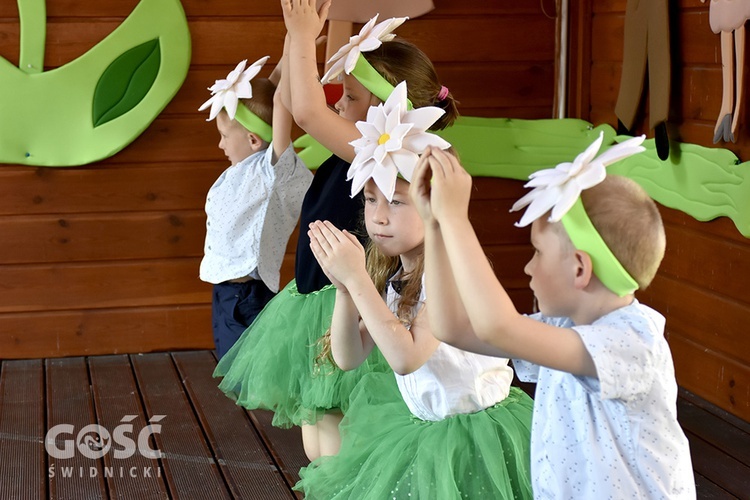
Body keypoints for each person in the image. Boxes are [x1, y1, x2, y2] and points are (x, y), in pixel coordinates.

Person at [214, 2, 459, 461]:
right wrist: (295, 41)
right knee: (318, 424)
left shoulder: (383, 149)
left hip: (344, 296)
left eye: (349, 96)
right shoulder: (360, 149)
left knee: (339, 425)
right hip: (319, 293)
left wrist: (305, 32)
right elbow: (292, 101)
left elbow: (306, 110)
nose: (339, 104)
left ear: (388, 108)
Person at [410, 136, 697, 498]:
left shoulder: (633, 342)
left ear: (579, 268)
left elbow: (497, 327)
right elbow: (450, 327)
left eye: (537, 252)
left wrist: (456, 219)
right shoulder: (564, 329)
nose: (528, 268)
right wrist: (434, 224)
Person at [296, 83, 533, 499]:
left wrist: (356, 280)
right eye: (371, 200)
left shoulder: (449, 273)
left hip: (475, 436)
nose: (379, 218)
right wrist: (344, 290)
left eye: (398, 203)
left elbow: (406, 357)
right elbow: (349, 358)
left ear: (432, 202)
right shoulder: (393, 273)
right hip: (423, 426)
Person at [198, 56, 313, 359]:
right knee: (229, 359)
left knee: (249, 363)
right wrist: (290, 49)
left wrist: (299, 54)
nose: (221, 145)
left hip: (246, 292)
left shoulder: (271, 171)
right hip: (226, 288)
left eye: (224, 137)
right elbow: (271, 89)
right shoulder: (245, 166)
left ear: (252, 139)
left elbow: (279, 104)